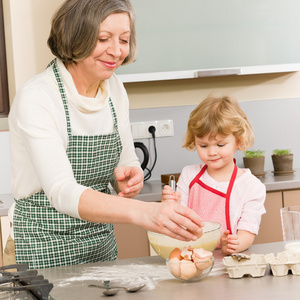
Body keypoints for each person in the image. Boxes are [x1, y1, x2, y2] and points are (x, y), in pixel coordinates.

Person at [5, 0, 204, 269]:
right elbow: (61, 191)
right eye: (103, 39)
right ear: (75, 36)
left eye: (124, 39)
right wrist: (147, 212)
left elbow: (125, 159)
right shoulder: (38, 97)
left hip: (99, 241)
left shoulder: (114, 88)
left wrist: (127, 174)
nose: (116, 51)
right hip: (42, 244)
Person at [161, 93, 266, 255]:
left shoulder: (252, 187)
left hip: (228, 261)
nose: (211, 152)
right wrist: (170, 204)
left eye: (220, 144)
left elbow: (247, 231)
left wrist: (234, 244)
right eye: (203, 146)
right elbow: (177, 222)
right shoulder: (189, 175)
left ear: (238, 140)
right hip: (191, 256)